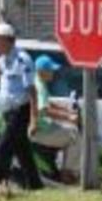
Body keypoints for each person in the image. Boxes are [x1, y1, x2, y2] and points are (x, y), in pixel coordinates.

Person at [0, 21, 43, 197]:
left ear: (8, 41)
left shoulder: (22, 60)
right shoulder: (4, 59)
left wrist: (34, 119)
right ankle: (35, 186)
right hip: (8, 113)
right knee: (22, 151)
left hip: (20, 111)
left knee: (3, 148)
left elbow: (32, 91)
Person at [30, 55, 81, 184]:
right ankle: (67, 173)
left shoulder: (39, 82)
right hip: (40, 130)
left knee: (70, 129)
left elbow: (48, 103)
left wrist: (67, 110)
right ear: (43, 71)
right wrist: (69, 117)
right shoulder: (39, 86)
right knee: (75, 136)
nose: (53, 72)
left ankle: (60, 169)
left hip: (44, 126)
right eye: (51, 70)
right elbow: (44, 110)